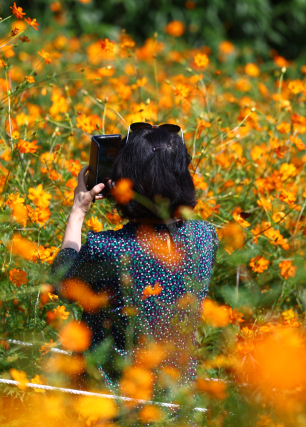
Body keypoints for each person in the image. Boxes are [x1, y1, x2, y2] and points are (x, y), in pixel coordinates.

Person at [51, 124, 219, 403]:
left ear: (124, 183)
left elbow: (60, 281)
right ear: (184, 177)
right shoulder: (204, 238)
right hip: (174, 411)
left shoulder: (109, 249)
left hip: (109, 411)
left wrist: (78, 210)